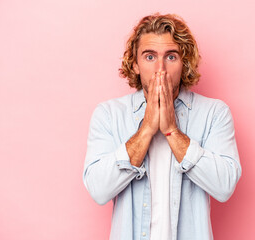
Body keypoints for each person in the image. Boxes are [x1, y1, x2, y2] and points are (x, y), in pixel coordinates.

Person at [83, 13, 242, 240]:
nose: (160, 69)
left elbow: (224, 186)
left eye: (171, 57)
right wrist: (147, 128)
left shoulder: (214, 114)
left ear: (184, 62)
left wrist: (172, 131)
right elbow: (98, 190)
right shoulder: (109, 115)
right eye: (149, 57)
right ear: (135, 65)